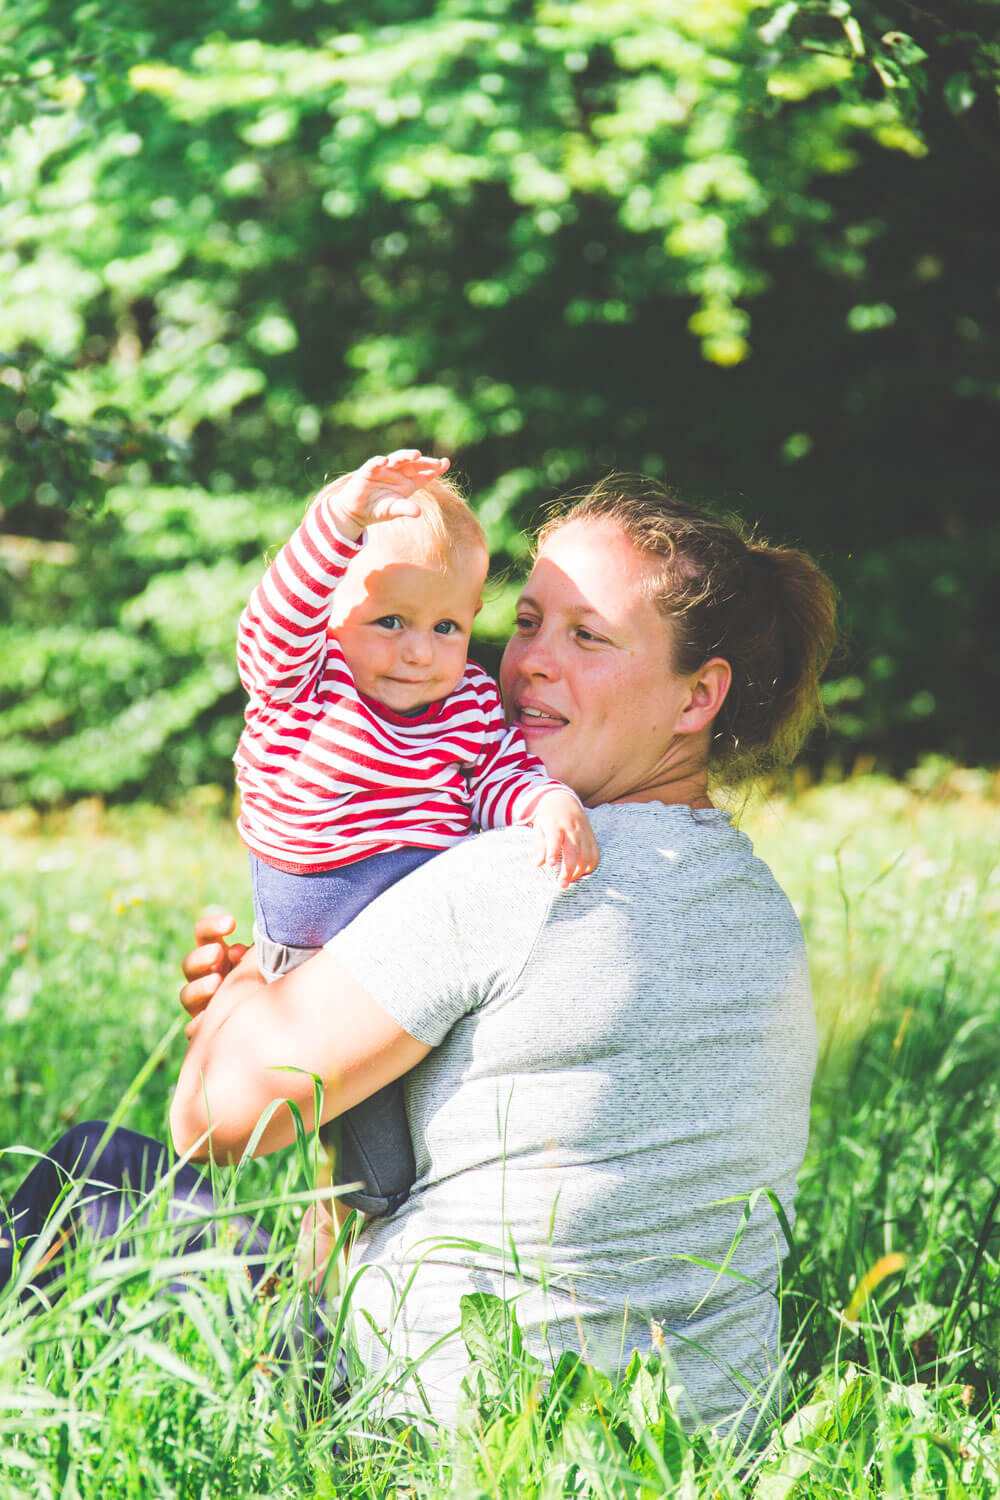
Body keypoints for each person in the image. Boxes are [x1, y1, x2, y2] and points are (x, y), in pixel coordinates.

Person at [1, 477, 836, 1441]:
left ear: (700, 695)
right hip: (695, 1431)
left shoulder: (521, 873)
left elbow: (212, 1121)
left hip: (447, 1412)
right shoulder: (762, 909)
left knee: (90, 1171)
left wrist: (241, 998)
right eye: (526, 621)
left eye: (588, 637)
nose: (528, 665)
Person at [233, 448, 596, 1215]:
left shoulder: (464, 700)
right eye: (389, 620)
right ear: (330, 614)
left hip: (414, 935)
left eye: (446, 626)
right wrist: (338, 520)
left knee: (421, 1104)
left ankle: (382, 1214)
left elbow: (497, 773)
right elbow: (273, 620)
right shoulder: (306, 682)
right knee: (371, 1159)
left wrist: (543, 801)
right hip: (315, 944)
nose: (417, 650)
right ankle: (360, 1225)